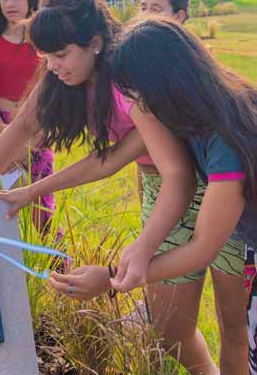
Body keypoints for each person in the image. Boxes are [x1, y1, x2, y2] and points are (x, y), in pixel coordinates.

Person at [0, 0, 231, 373]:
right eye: (46, 56)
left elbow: (121, 163)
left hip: (209, 178)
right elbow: (20, 128)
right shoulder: (59, 77)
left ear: (97, 43)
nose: (51, 65)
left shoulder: (130, 81)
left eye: (60, 54)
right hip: (164, 182)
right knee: (172, 326)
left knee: (230, 317)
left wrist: (133, 255)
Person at [47, 19, 254, 374]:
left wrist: (111, 278)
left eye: (137, 94)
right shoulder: (208, 113)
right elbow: (115, 161)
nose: (134, 105)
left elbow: (203, 247)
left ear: (165, 83)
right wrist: (142, 248)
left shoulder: (226, 139)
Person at [0, 0, 55, 233]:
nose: (10, 4)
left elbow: (53, 92)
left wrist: (34, 136)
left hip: (38, 129)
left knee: (41, 206)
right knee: (1, 201)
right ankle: (4, 266)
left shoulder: (44, 40)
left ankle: (53, 267)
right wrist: (6, 135)